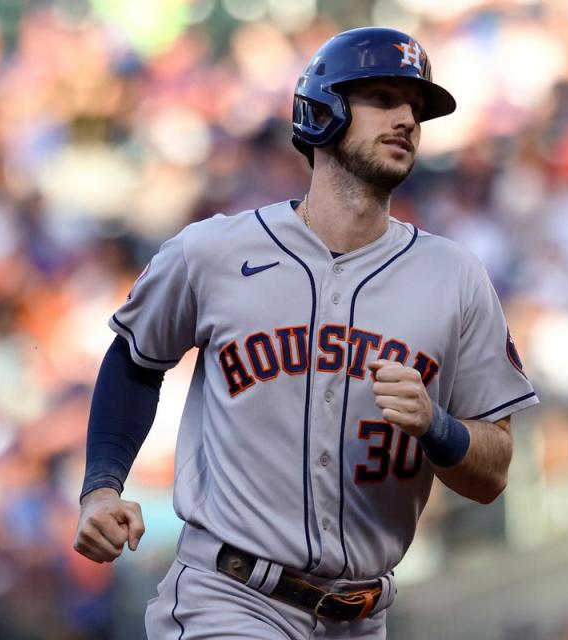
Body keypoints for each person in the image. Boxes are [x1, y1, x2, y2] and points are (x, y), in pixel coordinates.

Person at [73, 26, 539, 639]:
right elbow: (136, 359)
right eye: (381, 96)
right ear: (323, 111)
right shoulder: (213, 251)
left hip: (365, 616)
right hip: (230, 597)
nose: (405, 118)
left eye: (416, 108)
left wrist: (438, 427)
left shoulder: (455, 277)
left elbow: (494, 473)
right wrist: (101, 488)